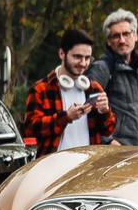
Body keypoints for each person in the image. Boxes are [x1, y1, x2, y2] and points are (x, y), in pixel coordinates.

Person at [22, 29, 114, 158]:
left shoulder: (93, 88)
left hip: (87, 165)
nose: (83, 63)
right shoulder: (41, 89)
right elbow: (30, 130)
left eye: (87, 58)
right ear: (62, 54)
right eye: (77, 57)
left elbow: (108, 130)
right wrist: (66, 117)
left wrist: (105, 111)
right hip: (52, 166)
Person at [85, 10, 138, 146]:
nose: (122, 40)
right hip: (114, 153)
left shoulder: (137, 69)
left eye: (126, 34)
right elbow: (87, 109)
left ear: (135, 36)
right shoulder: (102, 68)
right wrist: (108, 141)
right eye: (116, 36)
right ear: (109, 41)